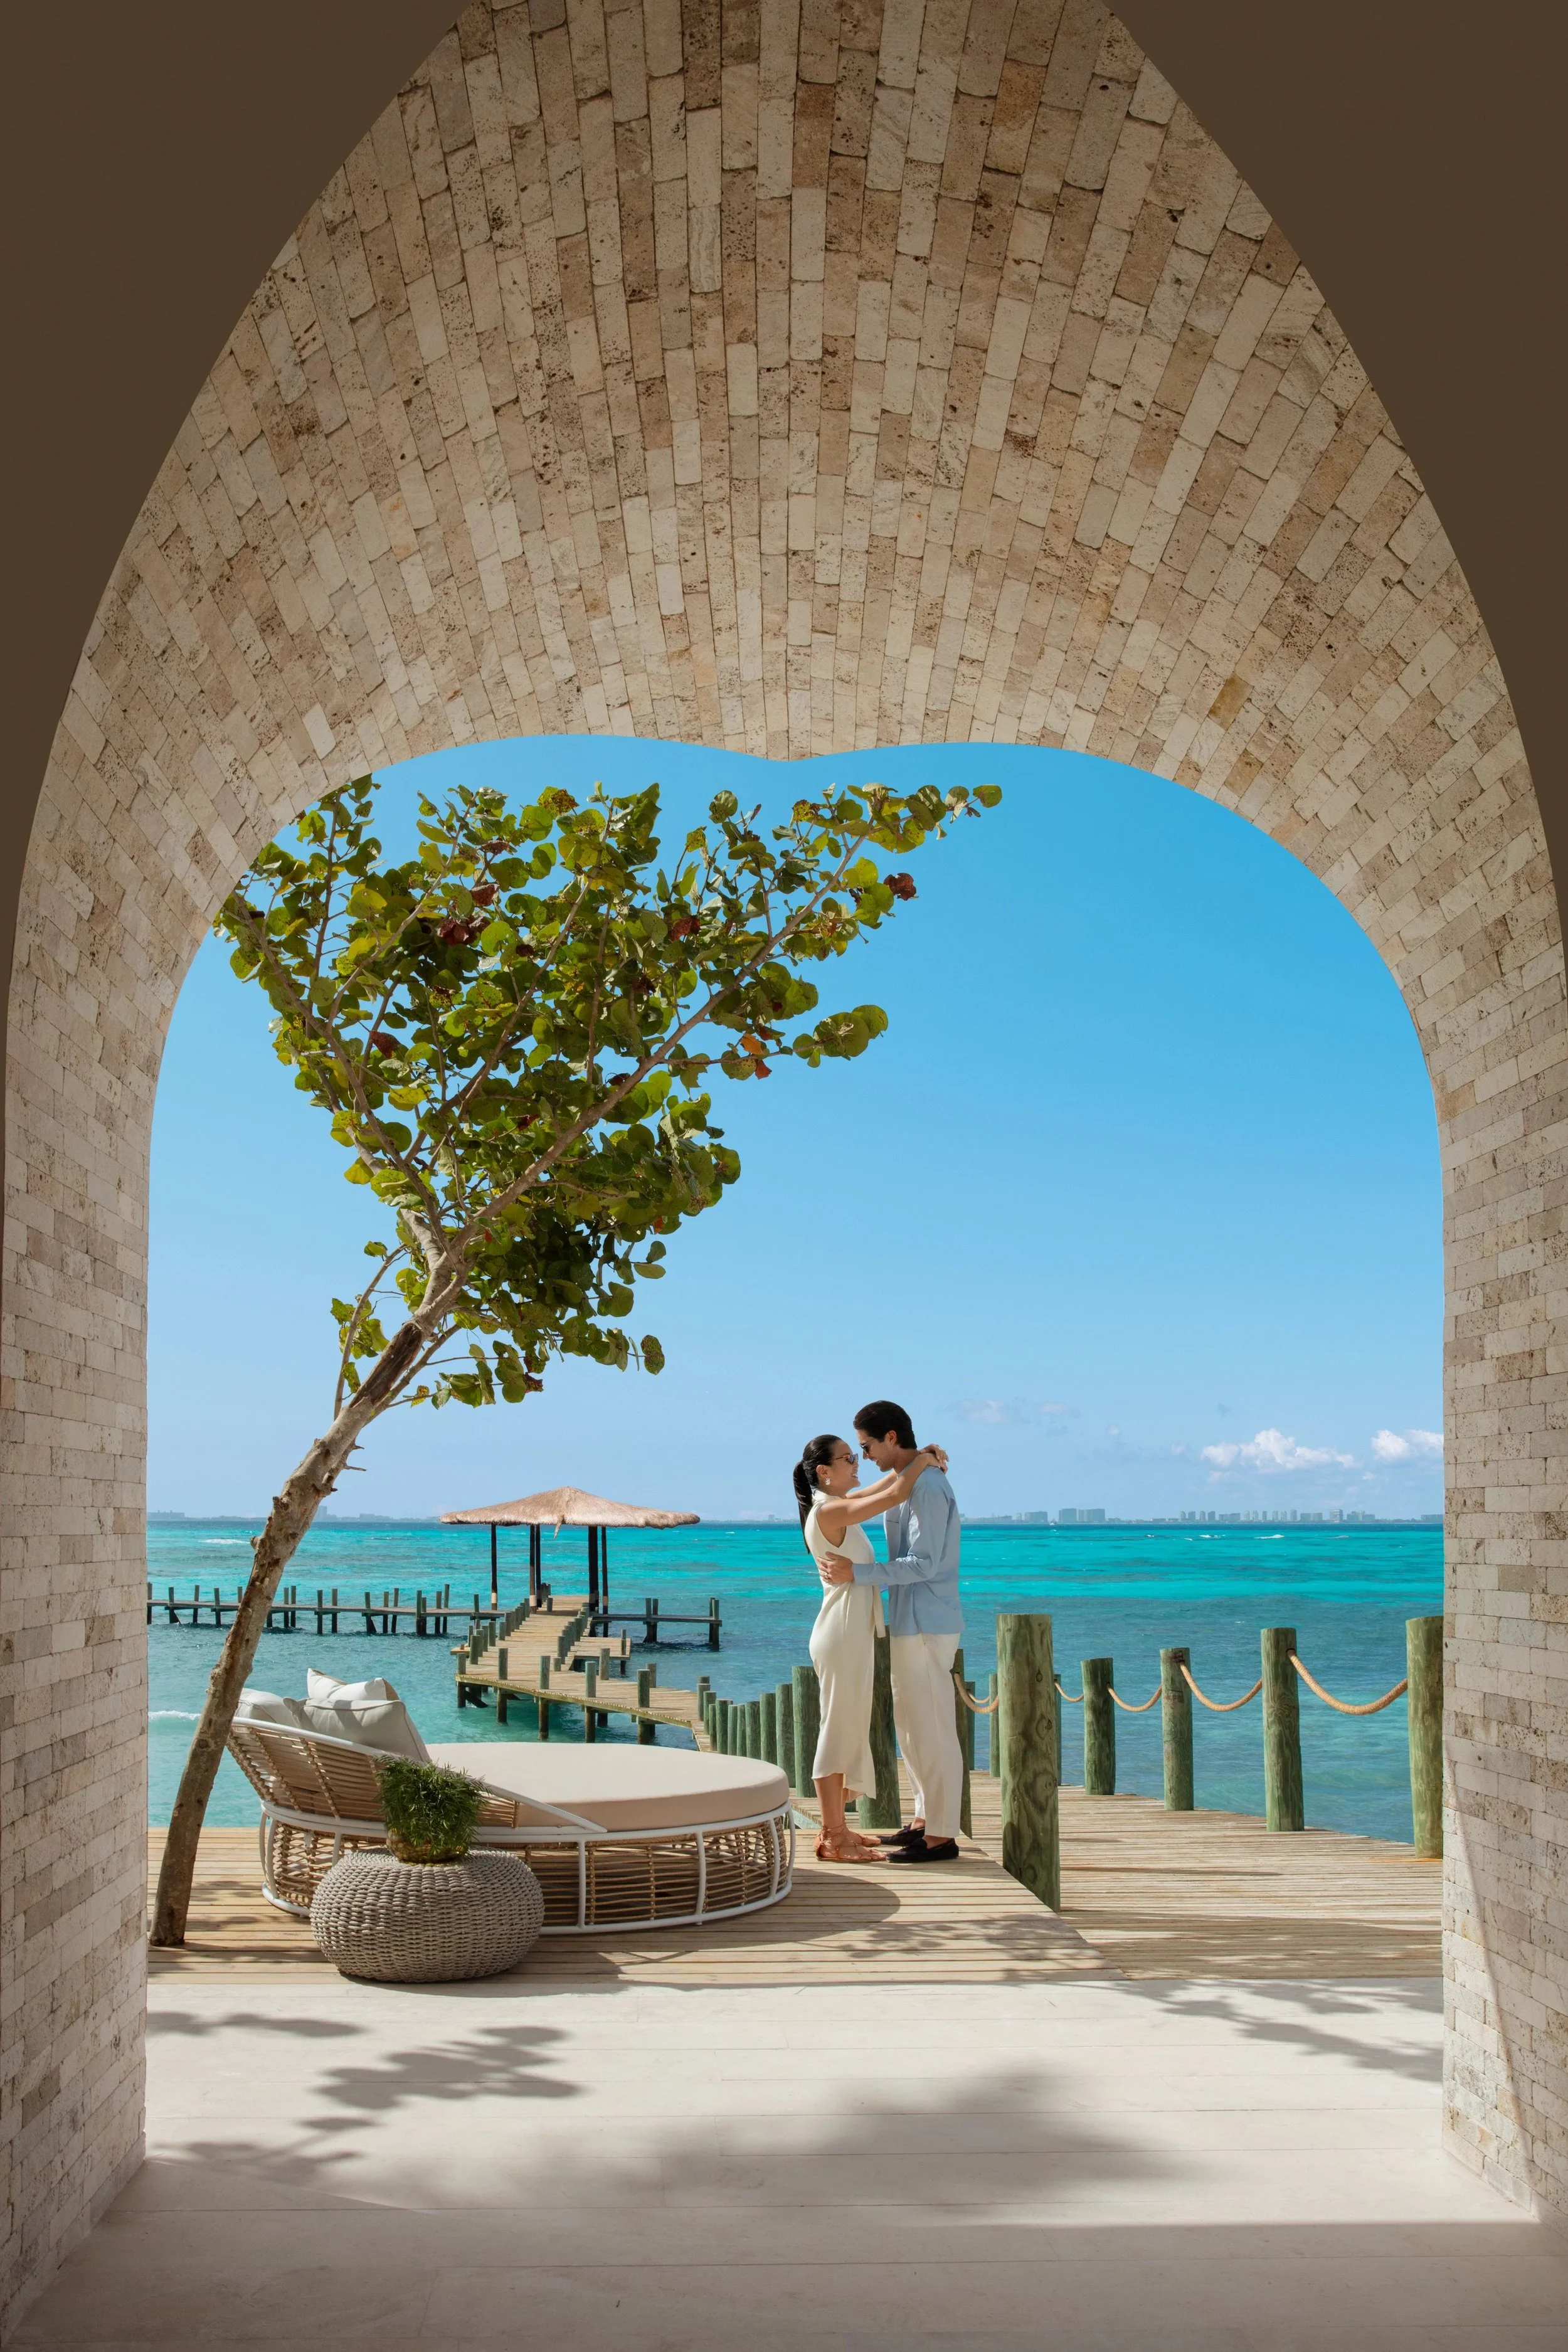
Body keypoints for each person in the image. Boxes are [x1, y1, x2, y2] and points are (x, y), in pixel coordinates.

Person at [820, 1398, 964, 1864]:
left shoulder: (929, 1487)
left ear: (891, 1439)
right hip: (907, 1620)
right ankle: (924, 1821)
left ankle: (942, 1836)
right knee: (912, 1728)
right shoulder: (911, 1481)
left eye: (867, 1447)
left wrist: (857, 1576)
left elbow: (925, 1563)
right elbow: (887, 1491)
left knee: (934, 1729)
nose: (865, 1458)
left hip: (928, 1620)